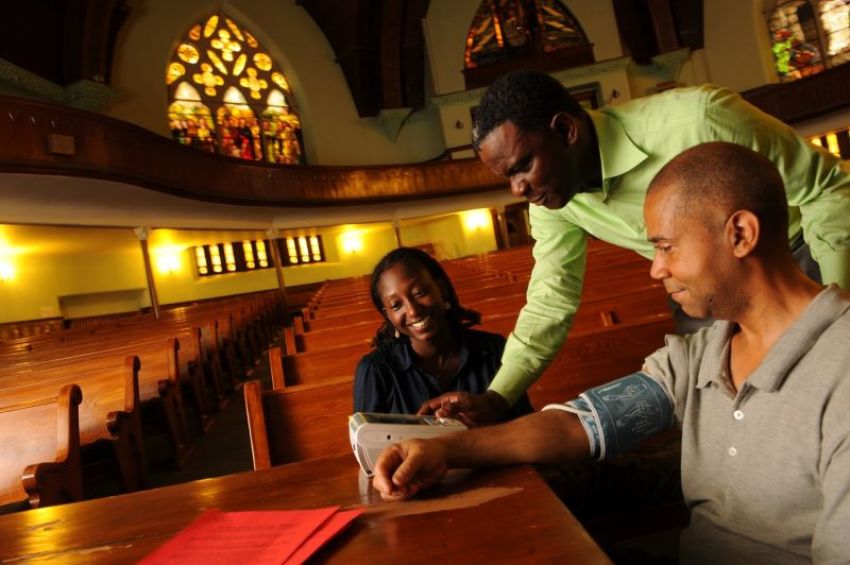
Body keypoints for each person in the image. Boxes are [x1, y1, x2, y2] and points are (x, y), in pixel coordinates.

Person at [373, 143, 850, 563]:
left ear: (740, 234)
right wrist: (446, 449)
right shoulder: (701, 353)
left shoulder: (841, 366)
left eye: (666, 248)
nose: (655, 269)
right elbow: (580, 423)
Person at [421, 69, 850, 424]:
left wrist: (833, 315)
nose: (517, 190)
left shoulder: (698, 120)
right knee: (719, 421)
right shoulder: (555, 201)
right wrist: (498, 396)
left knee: (822, 402)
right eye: (507, 178)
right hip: (701, 296)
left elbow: (827, 189)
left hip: (794, 259)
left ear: (565, 131)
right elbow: (551, 299)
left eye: (522, 167)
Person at [354, 247, 533, 420]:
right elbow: (367, 444)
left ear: (441, 289)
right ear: (389, 316)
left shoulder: (494, 350)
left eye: (419, 292)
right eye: (396, 305)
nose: (413, 311)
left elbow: (526, 429)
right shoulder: (376, 371)